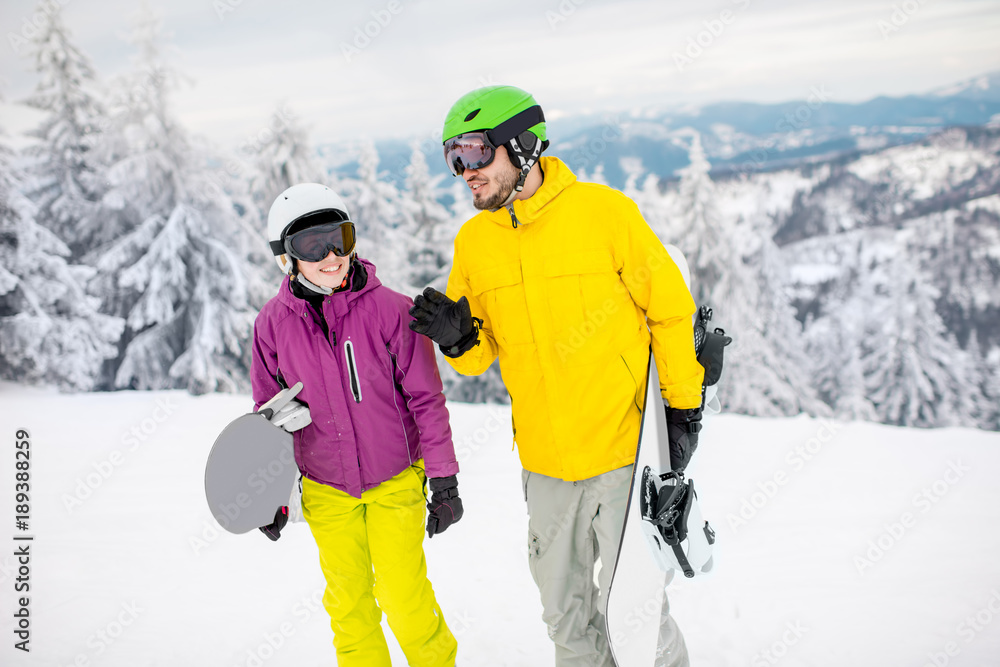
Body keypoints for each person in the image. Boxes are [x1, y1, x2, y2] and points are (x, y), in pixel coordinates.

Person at [408, 86, 705, 667]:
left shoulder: (604, 213)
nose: (464, 172)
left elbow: (671, 311)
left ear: (521, 146)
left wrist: (683, 410)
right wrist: (457, 338)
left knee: (637, 616)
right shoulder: (474, 242)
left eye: (473, 153)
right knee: (565, 618)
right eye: (453, 160)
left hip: (623, 453)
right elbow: (479, 354)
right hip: (544, 466)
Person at [251, 183, 463, 667]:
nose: (330, 255)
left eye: (338, 238)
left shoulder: (392, 310)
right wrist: (269, 493)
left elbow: (427, 399)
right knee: (349, 607)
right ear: (286, 257)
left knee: (402, 596)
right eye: (310, 244)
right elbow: (270, 416)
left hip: (395, 480)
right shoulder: (271, 325)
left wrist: (445, 481)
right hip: (326, 489)